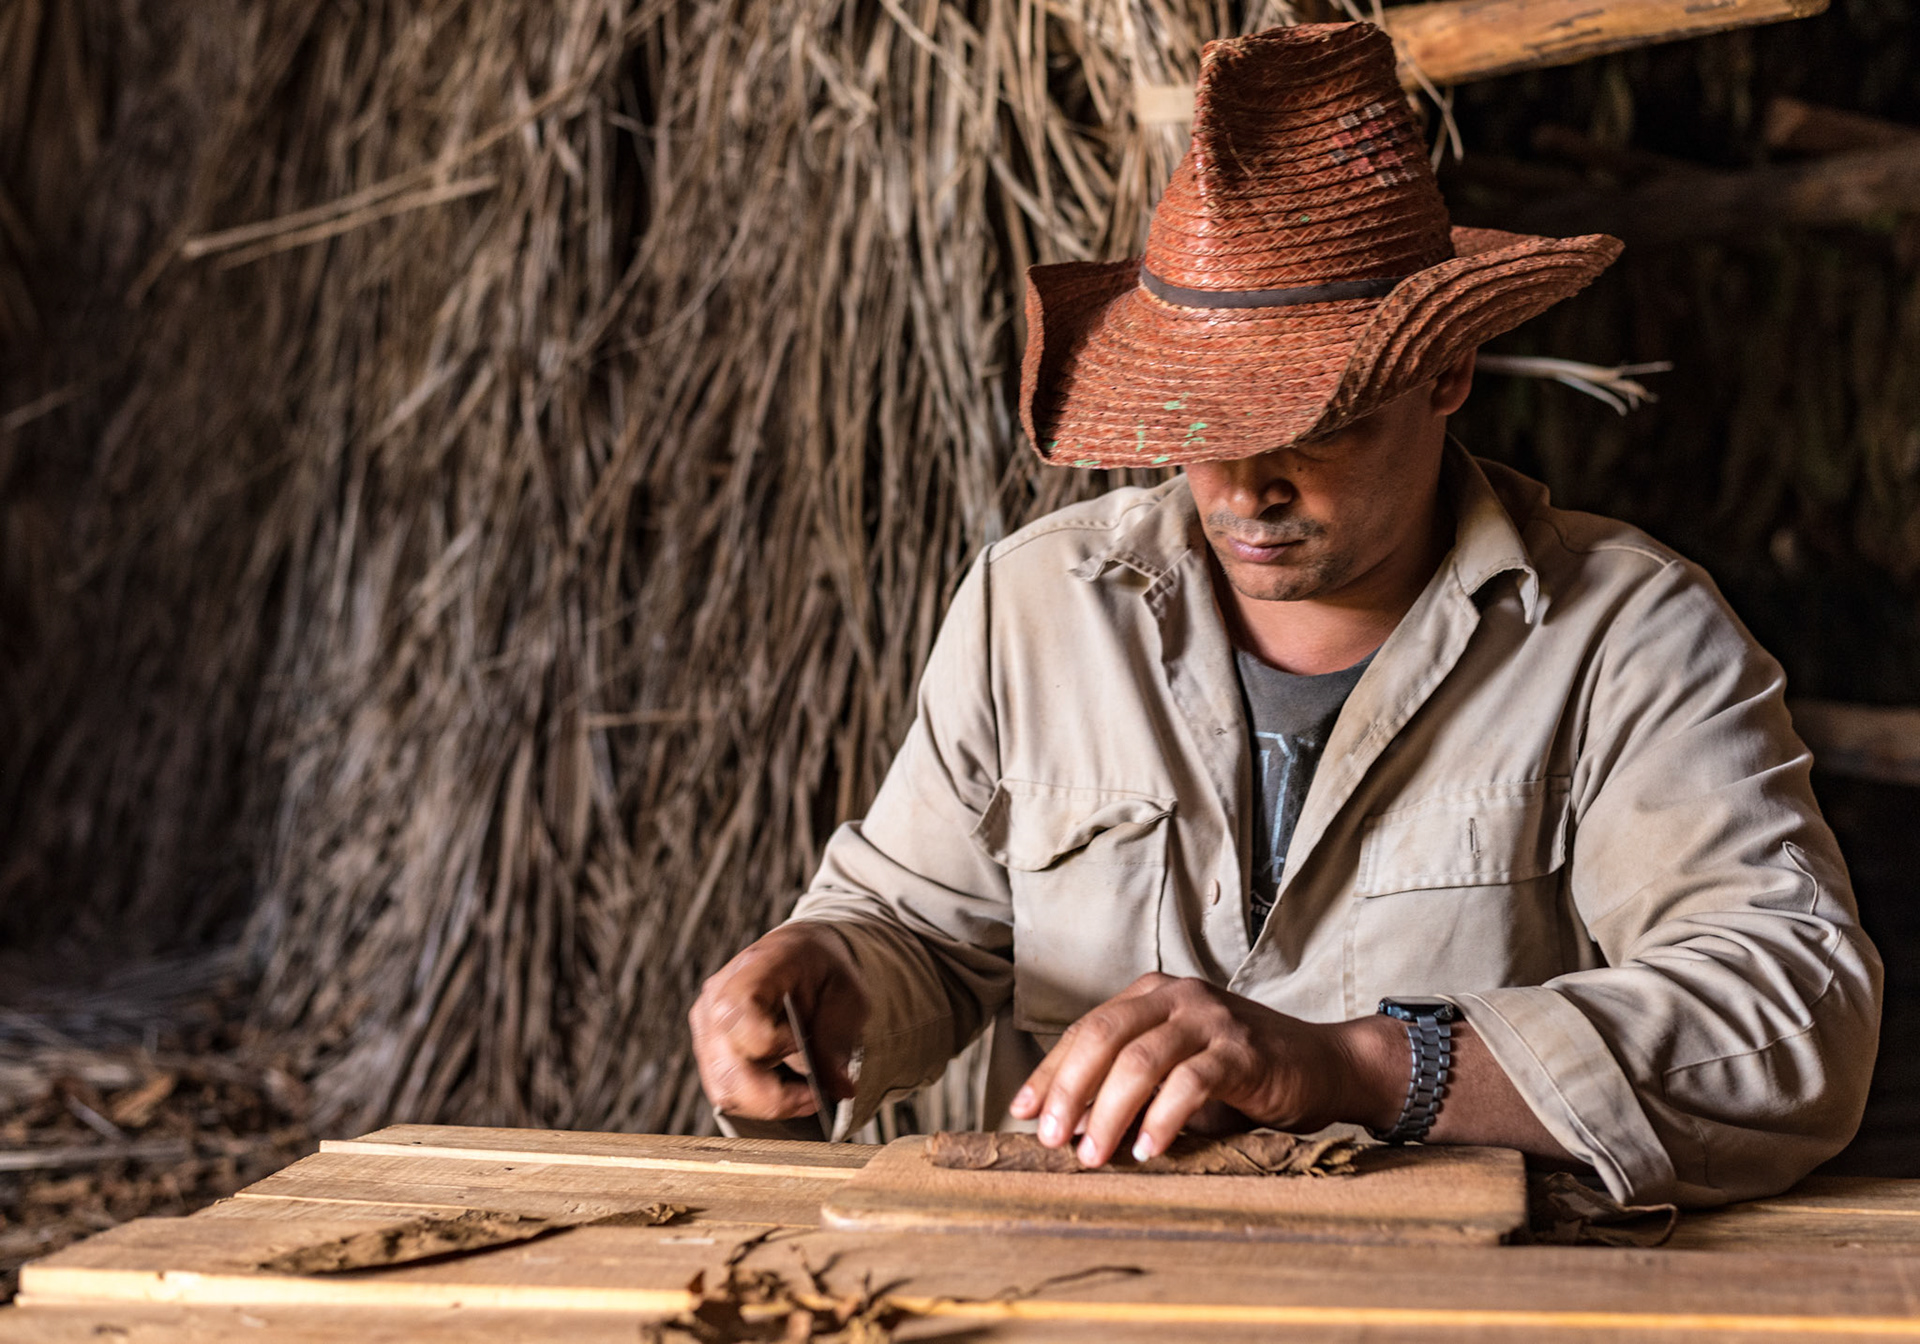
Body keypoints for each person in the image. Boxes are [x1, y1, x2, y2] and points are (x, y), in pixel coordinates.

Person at [688, 22, 1881, 1206]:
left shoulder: (1628, 635)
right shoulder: (1036, 608)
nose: (1243, 487)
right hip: (1084, 1280)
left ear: (1445, 374)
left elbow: (1789, 1017)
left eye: (1312, 428)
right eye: (1200, 430)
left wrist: (1358, 1067)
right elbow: (917, 929)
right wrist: (822, 976)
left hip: (1467, 1305)